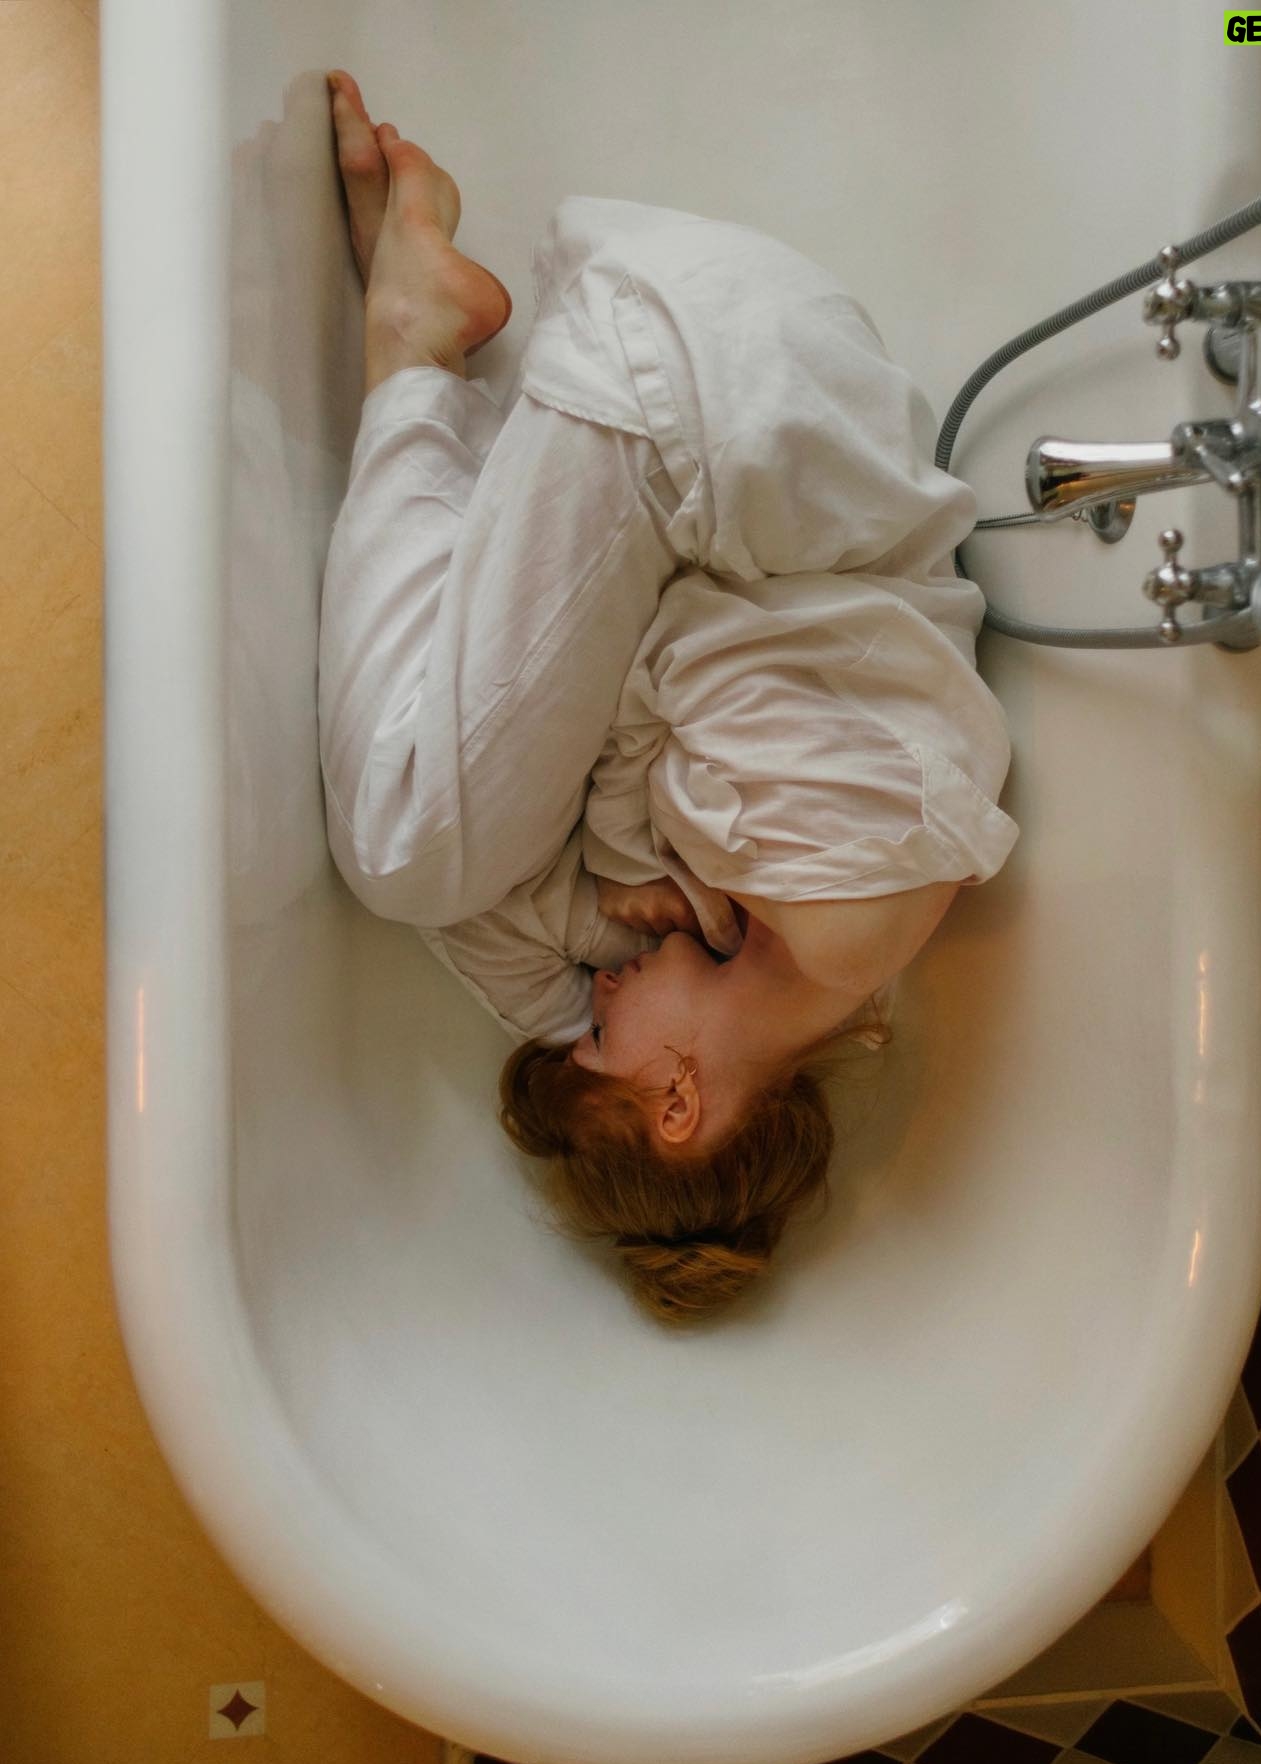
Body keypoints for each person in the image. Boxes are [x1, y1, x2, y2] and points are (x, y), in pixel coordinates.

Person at [320, 71, 1019, 1327]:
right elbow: (684, 647)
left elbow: (500, 916)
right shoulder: (841, 910)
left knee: (428, 867)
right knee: (404, 851)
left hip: (717, 424)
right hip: (707, 400)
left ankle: (421, 351)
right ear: (680, 1103)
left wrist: (614, 913)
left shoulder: (769, 932)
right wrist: (624, 856)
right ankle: (412, 346)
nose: (594, 1000)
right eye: (598, 1042)